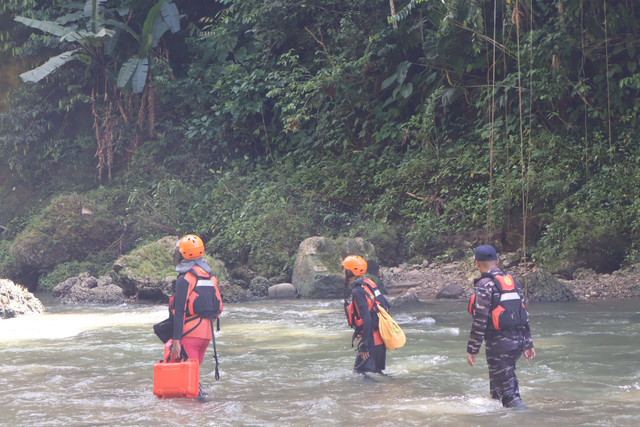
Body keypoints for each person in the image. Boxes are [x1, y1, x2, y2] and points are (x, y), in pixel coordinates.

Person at [466, 244, 536, 409]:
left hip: (499, 346)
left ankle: (533, 419)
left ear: (477, 264)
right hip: (517, 342)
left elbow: (480, 319)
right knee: (497, 391)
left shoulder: (484, 285)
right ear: (497, 261)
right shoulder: (513, 282)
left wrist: (472, 349)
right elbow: (523, 313)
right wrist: (528, 343)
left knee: (510, 397)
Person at [169, 234, 223, 399]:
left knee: (190, 382)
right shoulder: (211, 277)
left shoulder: (185, 278)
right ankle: (201, 410)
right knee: (193, 376)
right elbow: (218, 308)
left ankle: (199, 412)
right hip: (206, 335)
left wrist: (176, 341)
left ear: (184, 254)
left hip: (189, 334)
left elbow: (179, 311)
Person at [342, 255, 391, 374]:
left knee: (359, 374)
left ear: (350, 272)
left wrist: (364, 345)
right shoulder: (369, 284)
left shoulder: (357, 291)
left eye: (345, 269)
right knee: (376, 373)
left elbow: (367, 319)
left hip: (371, 341)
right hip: (380, 339)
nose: (343, 271)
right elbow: (386, 305)